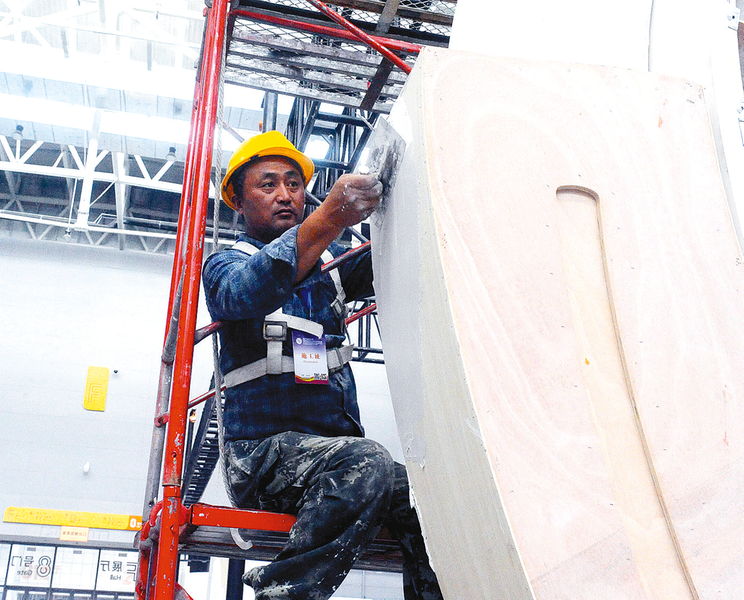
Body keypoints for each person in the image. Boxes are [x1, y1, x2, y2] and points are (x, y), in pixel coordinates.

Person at [202, 131, 443, 600]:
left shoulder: (330, 265)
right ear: (239, 202)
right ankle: (281, 595)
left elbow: (398, 254)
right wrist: (330, 216)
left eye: (294, 184)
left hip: (333, 457)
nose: (285, 194)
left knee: (426, 502)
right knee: (366, 461)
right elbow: (250, 289)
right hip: (261, 457)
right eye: (268, 184)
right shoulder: (225, 266)